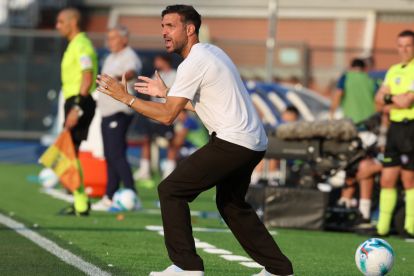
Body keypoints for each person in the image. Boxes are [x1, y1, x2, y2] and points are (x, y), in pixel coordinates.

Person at [97, 5, 293, 276]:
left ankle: (186, 267)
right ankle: (279, 269)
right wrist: (167, 93)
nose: (164, 32)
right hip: (252, 143)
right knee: (231, 205)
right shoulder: (212, 52)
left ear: (190, 29)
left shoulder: (194, 62)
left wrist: (125, 98)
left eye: (170, 26)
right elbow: (202, 105)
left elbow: (167, 117)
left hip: (233, 141)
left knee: (171, 190)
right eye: (162, 26)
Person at [365, 30, 414, 238]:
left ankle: (410, 228)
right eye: (400, 45)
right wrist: (392, 99)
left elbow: (406, 102)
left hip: (410, 128)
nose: (403, 50)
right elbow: (377, 101)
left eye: (408, 46)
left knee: (409, 180)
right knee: (387, 179)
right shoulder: (393, 70)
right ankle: (382, 228)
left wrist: (388, 99)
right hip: (394, 129)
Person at [92, 25, 142, 212]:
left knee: (116, 154)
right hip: (106, 111)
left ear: (124, 39)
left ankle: (131, 193)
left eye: (113, 38)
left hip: (119, 111)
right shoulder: (110, 57)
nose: (109, 41)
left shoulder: (129, 55)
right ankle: (109, 195)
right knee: (110, 154)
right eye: (108, 38)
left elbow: (132, 71)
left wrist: (119, 77)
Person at [55, 7, 97, 216]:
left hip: (79, 101)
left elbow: (87, 76)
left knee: (70, 151)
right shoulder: (73, 44)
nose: (57, 26)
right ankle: (78, 198)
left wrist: (77, 108)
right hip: (73, 101)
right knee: (69, 151)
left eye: (61, 21)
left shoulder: (82, 44)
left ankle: (81, 202)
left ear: (73, 22)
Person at [133, 53, 177, 180]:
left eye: (158, 60)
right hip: (153, 114)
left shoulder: (175, 75)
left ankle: (169, 170)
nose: (155, 62)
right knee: (146, 140)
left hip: (167, 114)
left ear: (165, 61)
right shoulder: (156, 75)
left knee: (171, 142)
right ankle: (144, 170)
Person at [330, 58, 377, 123]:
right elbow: (378, 100)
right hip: (369, 120)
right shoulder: (371, 80)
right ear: (364, 68)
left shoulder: (346, 77)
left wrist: (332, 113)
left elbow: (338, 94)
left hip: (351, 120)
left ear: (351, 67)